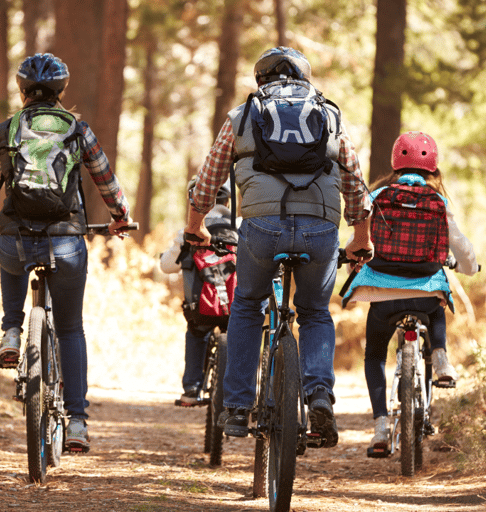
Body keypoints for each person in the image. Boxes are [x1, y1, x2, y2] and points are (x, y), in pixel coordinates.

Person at [185, 46, 373, 447]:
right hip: (320, 229)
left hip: (262, 227)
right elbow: (355, 182)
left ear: (260, 80)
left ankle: (237, 407)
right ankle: (318, 394)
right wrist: (361, 237)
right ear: (305, 79)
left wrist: (195, 227)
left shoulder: (243, 115)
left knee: (247, 304)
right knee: (315, 312)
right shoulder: (330, 115)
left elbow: (208, 181)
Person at [0, 53, 131, 452]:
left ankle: (12, 330)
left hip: (15, 239)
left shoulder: (5, 131)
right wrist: (120, 216)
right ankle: (77, 423)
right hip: (66, 241)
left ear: (22, 90)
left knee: (10, 252)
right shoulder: (78, 130)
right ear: (61, 91)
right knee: (70, 329)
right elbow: (105, 180)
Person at [341, 131, 478, 455]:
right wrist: (470, 268)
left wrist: (351, 265)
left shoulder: (378, 195)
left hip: (382, 293)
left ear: (395, 163)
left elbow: (359, 240)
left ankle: (380, 428)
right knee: (437, 305)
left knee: (375, 356)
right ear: (433, 167)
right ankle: (440, 357)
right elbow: (460, 246)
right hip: (425, 290)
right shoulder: (438, 201)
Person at [160, 178, 237, 406]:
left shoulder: (188, 232)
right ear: (227, 201)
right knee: (242, 334)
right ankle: (240, 394)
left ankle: (192, 389)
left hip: (201, 308)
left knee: (196, 332)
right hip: (236, 306)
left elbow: (167, 266)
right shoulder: (239, 226)